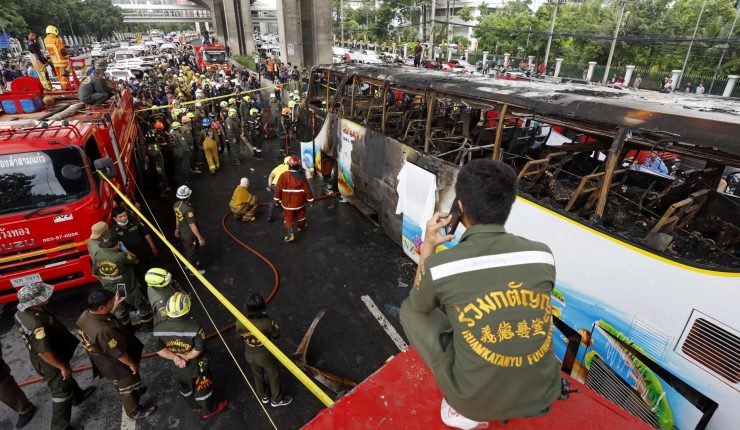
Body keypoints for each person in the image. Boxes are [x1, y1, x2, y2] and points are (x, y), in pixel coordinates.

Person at [400, 159, 560, 429]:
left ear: (459, 207)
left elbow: (419, 302)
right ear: (509, 206)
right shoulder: (542, 254)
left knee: (410, 310)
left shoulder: (444, 267)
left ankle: (462, 411)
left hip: (472, 403)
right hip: (542, 395)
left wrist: (428, 244)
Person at [15, 283, 96, 430]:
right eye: (44, 296)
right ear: (35, 302)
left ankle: (77, 396)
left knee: (65, 379)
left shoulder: (21, 311)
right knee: (61, 391)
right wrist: (62, 366)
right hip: (50, 360)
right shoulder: (37, 323)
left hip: (48, 354)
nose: (48, 296)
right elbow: (44, 352)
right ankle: (60, 426)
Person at [76, 289, 156, 421]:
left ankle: (136, 390)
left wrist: (115, 304)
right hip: (117, 365)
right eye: (111, 302)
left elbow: (104, 320)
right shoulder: (104, 331)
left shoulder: (85, 315)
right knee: (126, 386)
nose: (113, 302)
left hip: (103, 360)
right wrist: (132, 364)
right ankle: (134, 411)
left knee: (122, 383)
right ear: (101, 307)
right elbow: (119, 353)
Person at [152, 293, 229, 419]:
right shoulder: (195, 327)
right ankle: (208, 410)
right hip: (195, 366)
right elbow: (199, 348)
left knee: (185, 388)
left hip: (177, 367)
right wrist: (186, 357)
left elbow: (159, 349)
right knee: (202, 388)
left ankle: (194, 406)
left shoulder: (158, 329)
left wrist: (176, 358)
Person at [236, 293, 292, 407]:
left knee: (257, 376)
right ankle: (276, 399)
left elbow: (239, 337)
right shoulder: (267, 323)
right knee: (273, 374)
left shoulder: (239, 322)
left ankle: (263, 396)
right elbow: (276, 335)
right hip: (265, 355)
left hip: (249, 354)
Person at [92, 231, 154, 327]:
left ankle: (127, 328)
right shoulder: (120, 256)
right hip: (124, 286)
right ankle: (148, 325)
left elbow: (96, 275)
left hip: (110, 289)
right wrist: (124, 249)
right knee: (140, 305)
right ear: (118, 244)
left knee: (120, 310)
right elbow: (135, 260)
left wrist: (109, 280)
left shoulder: (97, 256)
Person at [274, 155, 314, 242]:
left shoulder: (283, 176)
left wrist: (276, 200)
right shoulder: (302, 177)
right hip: (300, 203)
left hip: (287, 204)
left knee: (288, 218)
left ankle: (290, 235)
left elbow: (278, 189)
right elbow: (307, 190)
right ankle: (301, 227)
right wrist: (311, 200)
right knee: (301, 216)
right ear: (298, 165)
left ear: (289, 165)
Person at [111, 206, 159, 276]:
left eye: (125, 215)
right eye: (120, 217)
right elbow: (119, 245)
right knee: (141, 273)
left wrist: (153, 247)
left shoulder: (135, 222)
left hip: (145, 250)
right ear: (115, 218)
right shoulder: (114, 230)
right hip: (132, 255)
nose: (123, 218)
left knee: (153, 268)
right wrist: (131, 255)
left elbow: (146, 234)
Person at [174, 185, 206, 273]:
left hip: (182, 232)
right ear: (188, 196)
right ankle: (193, 271)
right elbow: (192, 225)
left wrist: (177, 228)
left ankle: (188, 264)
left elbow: (177, 217)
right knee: (192, 251)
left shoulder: (176, 205)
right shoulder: (188, 209)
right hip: (189, 235)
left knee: (186, 249)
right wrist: (200, 238)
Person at [44, 25, 72, 90]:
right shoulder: (57, 40)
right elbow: (62, 50)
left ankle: (62, 86)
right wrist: (67, 56)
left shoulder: (45, 40)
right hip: (61, 61)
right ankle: (66, 87)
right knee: (64, 74)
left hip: (54, 61)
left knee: (59, 75)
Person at [266, 156, 291, 222]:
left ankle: (269, 216)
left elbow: (271, 175)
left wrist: (270, 186)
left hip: (274, 185)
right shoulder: (290, 168)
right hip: (281, 187)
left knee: (272, 201)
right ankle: (286, 216)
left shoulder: (279, 166)